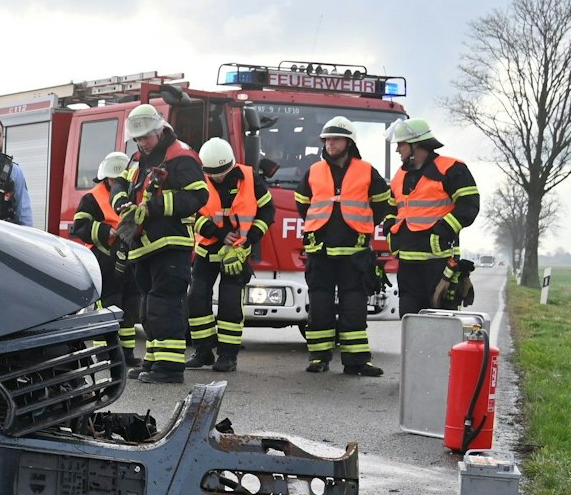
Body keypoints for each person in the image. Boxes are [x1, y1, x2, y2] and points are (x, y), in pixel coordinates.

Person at [295, 116, 396, 376]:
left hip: (355, 253)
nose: (330, 144)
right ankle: (319, 357)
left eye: (335, 139)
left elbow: (383, 204)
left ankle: (356, 361)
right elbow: (302, 203)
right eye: (326, 140)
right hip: (321, 252)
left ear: (348, 142)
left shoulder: (367, 170)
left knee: (354, 307)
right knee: (319, 306)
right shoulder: (314, 171)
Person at [115, 103, 206, 384]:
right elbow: (119, 184)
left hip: (170, 244)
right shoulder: (140, 159)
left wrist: (154, 206)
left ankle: (170, 368)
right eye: (138, 139)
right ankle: (153, 361)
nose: (142, 143)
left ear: (159, 130)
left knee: (165, 304)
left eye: (146, 138)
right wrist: (123, 205)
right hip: (144, 247)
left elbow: (197, 196)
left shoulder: (181, 156)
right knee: (150, 307)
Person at [184, 137, 273, 373]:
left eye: (222, 172)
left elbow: (267, 210)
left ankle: (227, 356)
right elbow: (191, 214)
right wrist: (220, 233)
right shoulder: (198, 179)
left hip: (238, 253)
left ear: (231, 165)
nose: (218, 178)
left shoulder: (250, 178)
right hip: (206, 252)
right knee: (196, 299)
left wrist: (250, 239)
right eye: (213, 174)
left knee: (230, 304)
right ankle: (203, 351)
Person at [389, 117, 480, 315]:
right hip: (407, 263)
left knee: (440, 320)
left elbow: (469, 206)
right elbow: (392, 208)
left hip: (439, 263)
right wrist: (391, 231)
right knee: (409, 320)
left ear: (416, 145)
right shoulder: (400, 175)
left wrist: (443, 230)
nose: (397, 150)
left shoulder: (452, 169)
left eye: (401, 144)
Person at [69, 152, 141, 372]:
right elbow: (79, 227)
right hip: (105, 259)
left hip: (131, 257)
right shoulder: (92, 198)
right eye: (111, 179)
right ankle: (105, 354)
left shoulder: (135, 195)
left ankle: (127, 353)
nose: (115, 183)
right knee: (109, 305)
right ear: (104, 178)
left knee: (130, 305)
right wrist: (105, 231)